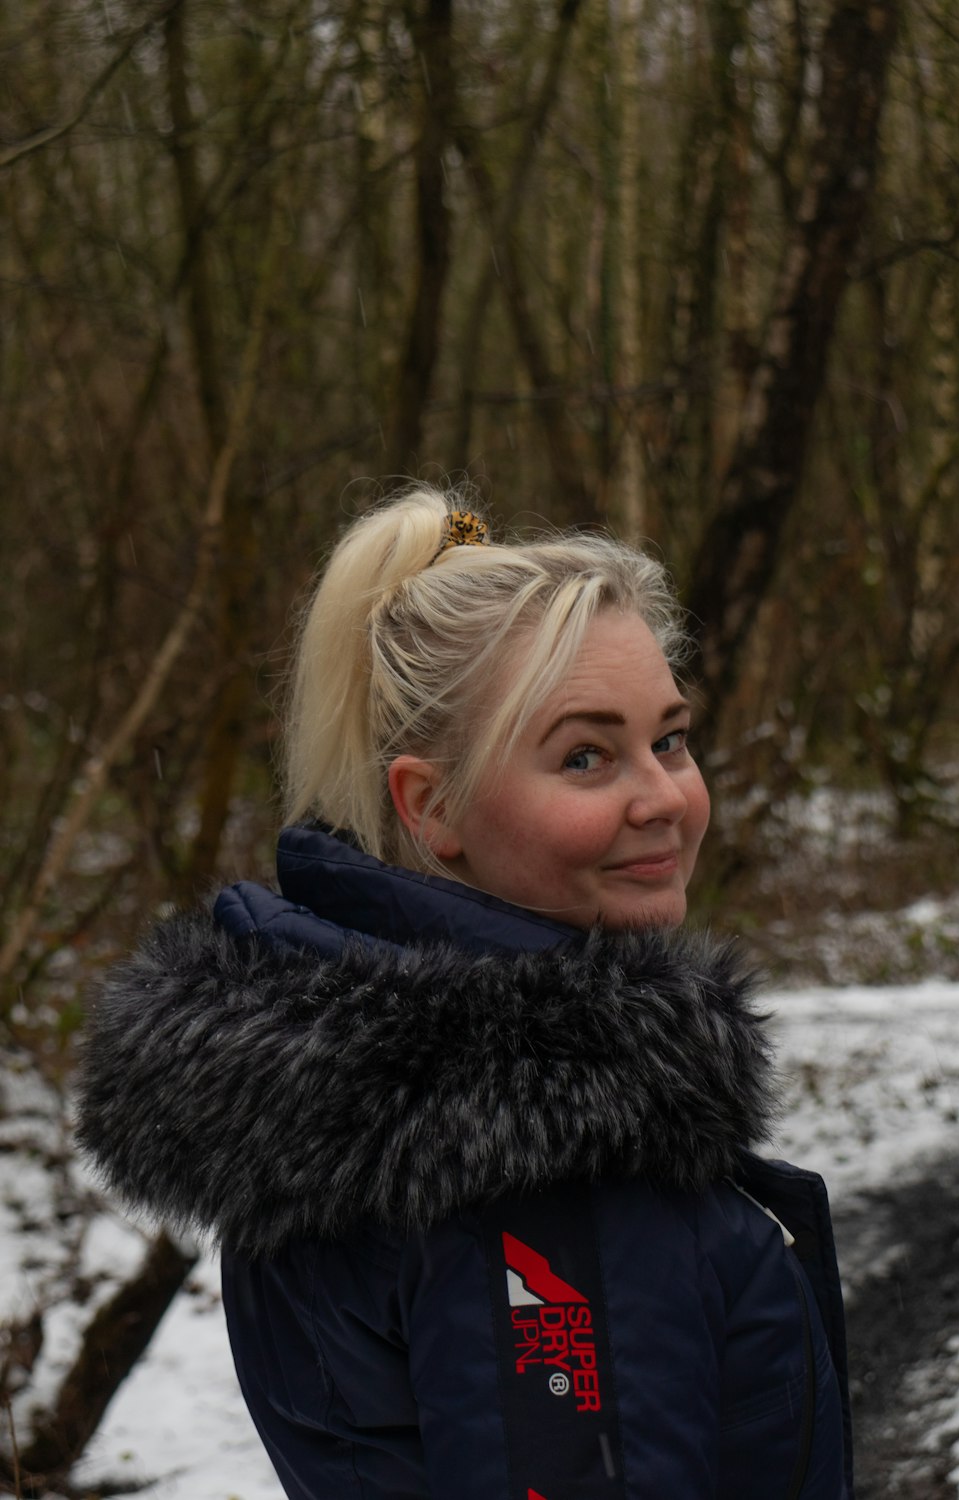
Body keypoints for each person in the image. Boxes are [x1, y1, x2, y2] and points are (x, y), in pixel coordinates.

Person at [77, 485, 853, 1499]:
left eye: (668, 739)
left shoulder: (377, 1109)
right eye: (586, 756)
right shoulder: (539, 1169)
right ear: (431, 805)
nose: (663, 798)